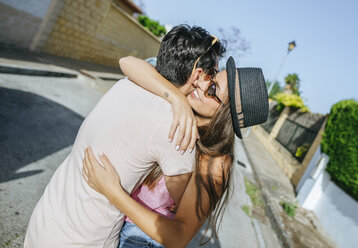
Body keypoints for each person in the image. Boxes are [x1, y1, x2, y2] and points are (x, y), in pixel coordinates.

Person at [24, 25, 226, 248]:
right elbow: (181, 213)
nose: (211, 83)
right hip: (82, 240)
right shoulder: (177, 127)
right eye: (213, 75)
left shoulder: (127, 84)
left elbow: (129, 63)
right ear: (198, 75)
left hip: (43, 222)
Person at [82, 55, 269, 248]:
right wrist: (177, 98)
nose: (202, 86)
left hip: (140, 239)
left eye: (213, 90)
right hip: (115, 222)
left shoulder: (216, 163)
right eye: (211, 78)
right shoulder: (184, 107)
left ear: (225, 116)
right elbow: (127, 63)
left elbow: (178, 237)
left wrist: (112, 191)